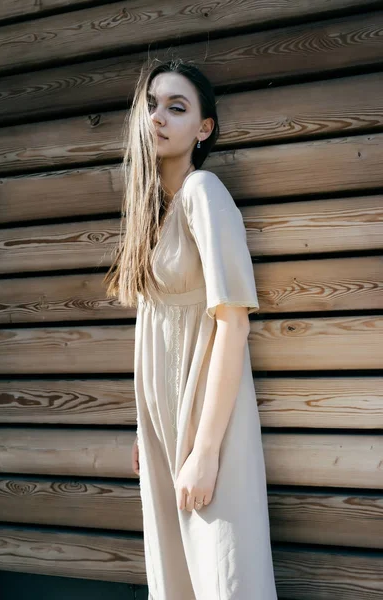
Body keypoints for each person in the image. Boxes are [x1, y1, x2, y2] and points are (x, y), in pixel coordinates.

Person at [103, 58, 278, 600]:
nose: (158, 117)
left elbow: (233, 324)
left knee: (225, 571)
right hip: (159, 418)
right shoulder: (149, 209)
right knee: (175, 574)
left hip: (205, 414)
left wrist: (205, 451)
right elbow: (152, 325)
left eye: (176, 108)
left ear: (204, 129)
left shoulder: (204, 191)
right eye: (151, 105)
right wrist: (142, 427)